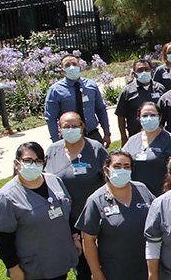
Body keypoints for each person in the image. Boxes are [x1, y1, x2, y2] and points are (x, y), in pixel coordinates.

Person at [0, 142, 78, 280]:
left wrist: (75, 237)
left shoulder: (54, 180)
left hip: (60, 259)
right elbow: (2, 238)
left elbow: (67, 211)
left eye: (38, 161)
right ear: (17, 163)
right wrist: (13, 267)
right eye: (27, 160)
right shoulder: (6, 197)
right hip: (33, 269)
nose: (33, 165)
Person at [43, 111, 108, 279]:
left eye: (74, 126)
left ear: (82, 127)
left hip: (97, 222)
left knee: (103, 267)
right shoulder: (52, 151)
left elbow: (110, 181)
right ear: (59, 128)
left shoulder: (96, 149)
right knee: (82, 271)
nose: (70, 129)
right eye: (66, 127)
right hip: (65, 224)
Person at [75, 150, 156, 280]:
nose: (122, 170)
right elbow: (88, 240)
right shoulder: (96, 200)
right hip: (115, 270)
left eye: (126, 166)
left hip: (146, 267)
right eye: (117, 167)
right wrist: (96, 272)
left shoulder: (142, 190)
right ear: (106, 170)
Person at [45, 55, 111, 147]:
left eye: (74, 64)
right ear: (63, 70)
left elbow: (101, 109)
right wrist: (56, 142)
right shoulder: (55, 90)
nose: (72, 67)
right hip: (69, 139)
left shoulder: (91, 86)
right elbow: (51, 118)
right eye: (67, 65)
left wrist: (107, 133)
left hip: (93, 135)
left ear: (79, 66)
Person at [121, 102, 171, 196]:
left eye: (153, 115)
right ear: (139, 118)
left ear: (160, 117)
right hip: (137, 196)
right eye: (145, 116)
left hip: (163, 195)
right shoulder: (132, 141)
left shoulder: (170, 140)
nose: (149, 118)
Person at [116, 59, 167, 145]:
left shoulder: (160, 88)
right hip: (135, 137)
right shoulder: (127, 91)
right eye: (140, 70)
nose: (144, 72)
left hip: (159, 135)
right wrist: (123, 137)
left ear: (151, 71)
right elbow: (120, 116)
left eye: (146, 69)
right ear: (134, 73)